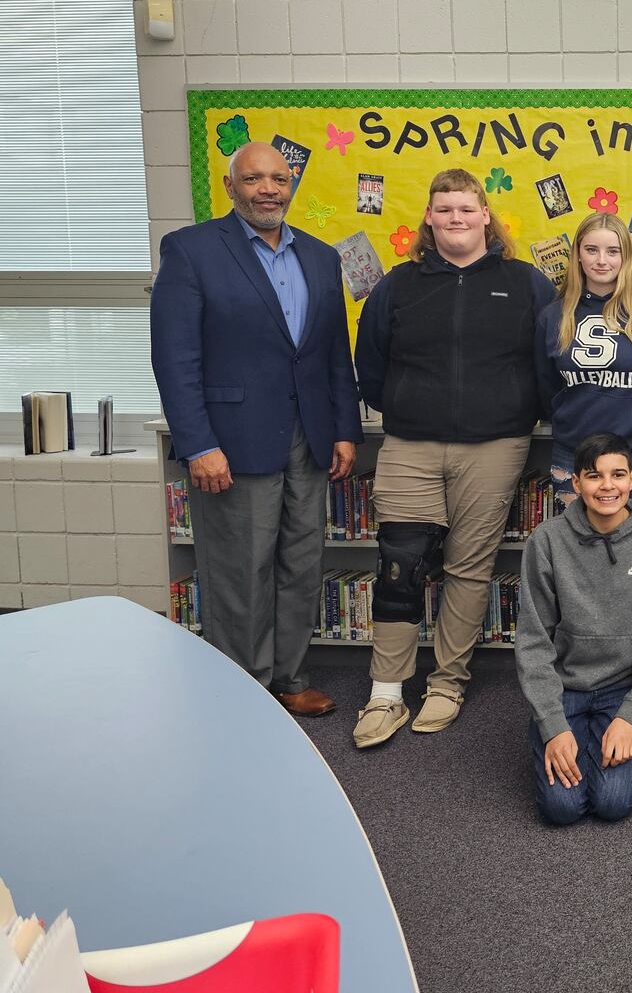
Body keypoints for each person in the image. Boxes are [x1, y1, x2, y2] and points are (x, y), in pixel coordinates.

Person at [150, 141, 362, 716]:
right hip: (232, 443)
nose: (268, 189)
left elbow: (332, 354)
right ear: (230, 186)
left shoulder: (320, 257)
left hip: (309, 437)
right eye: (253, 179)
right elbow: (175, 359)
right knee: (242, 570)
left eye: (278, 178)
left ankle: (290, 678)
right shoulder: (191, 251)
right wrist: (198, 444)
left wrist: (344, 427)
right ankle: (244, 692)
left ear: (292, 185)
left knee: (302, 562)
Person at [350, 169, 556, 748]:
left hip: (495, 446)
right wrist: (404, 405)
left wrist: (521, 412)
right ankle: (385, 694)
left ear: (486, 215)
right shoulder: (398, 285)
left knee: (469, 566)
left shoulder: (526, 283)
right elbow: (370, 364)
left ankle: (447, 684)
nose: (456, 218)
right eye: (444, 210)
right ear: (429, 218)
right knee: (400, 564)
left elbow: (548, 359)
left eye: (466, 208)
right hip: (411, 444)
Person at [515, 432, 632, 825]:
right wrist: (553, 725)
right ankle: (558, 732)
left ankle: (619, 732)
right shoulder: (546, 541)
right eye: (594, 476)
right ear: (576, 483)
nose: (607, 486)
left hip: (623, 689)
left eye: (618, 475)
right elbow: (533, 642)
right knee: (561, 809)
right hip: (565, 688)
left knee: (613, 803)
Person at [534, 212, 632, 509]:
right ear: (578, 254)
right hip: (575, 451)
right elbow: (547, 389)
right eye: (591, 250)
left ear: (627, 257)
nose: (601, 260)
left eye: (613, 251)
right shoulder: (553, 317)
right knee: (579, 547)